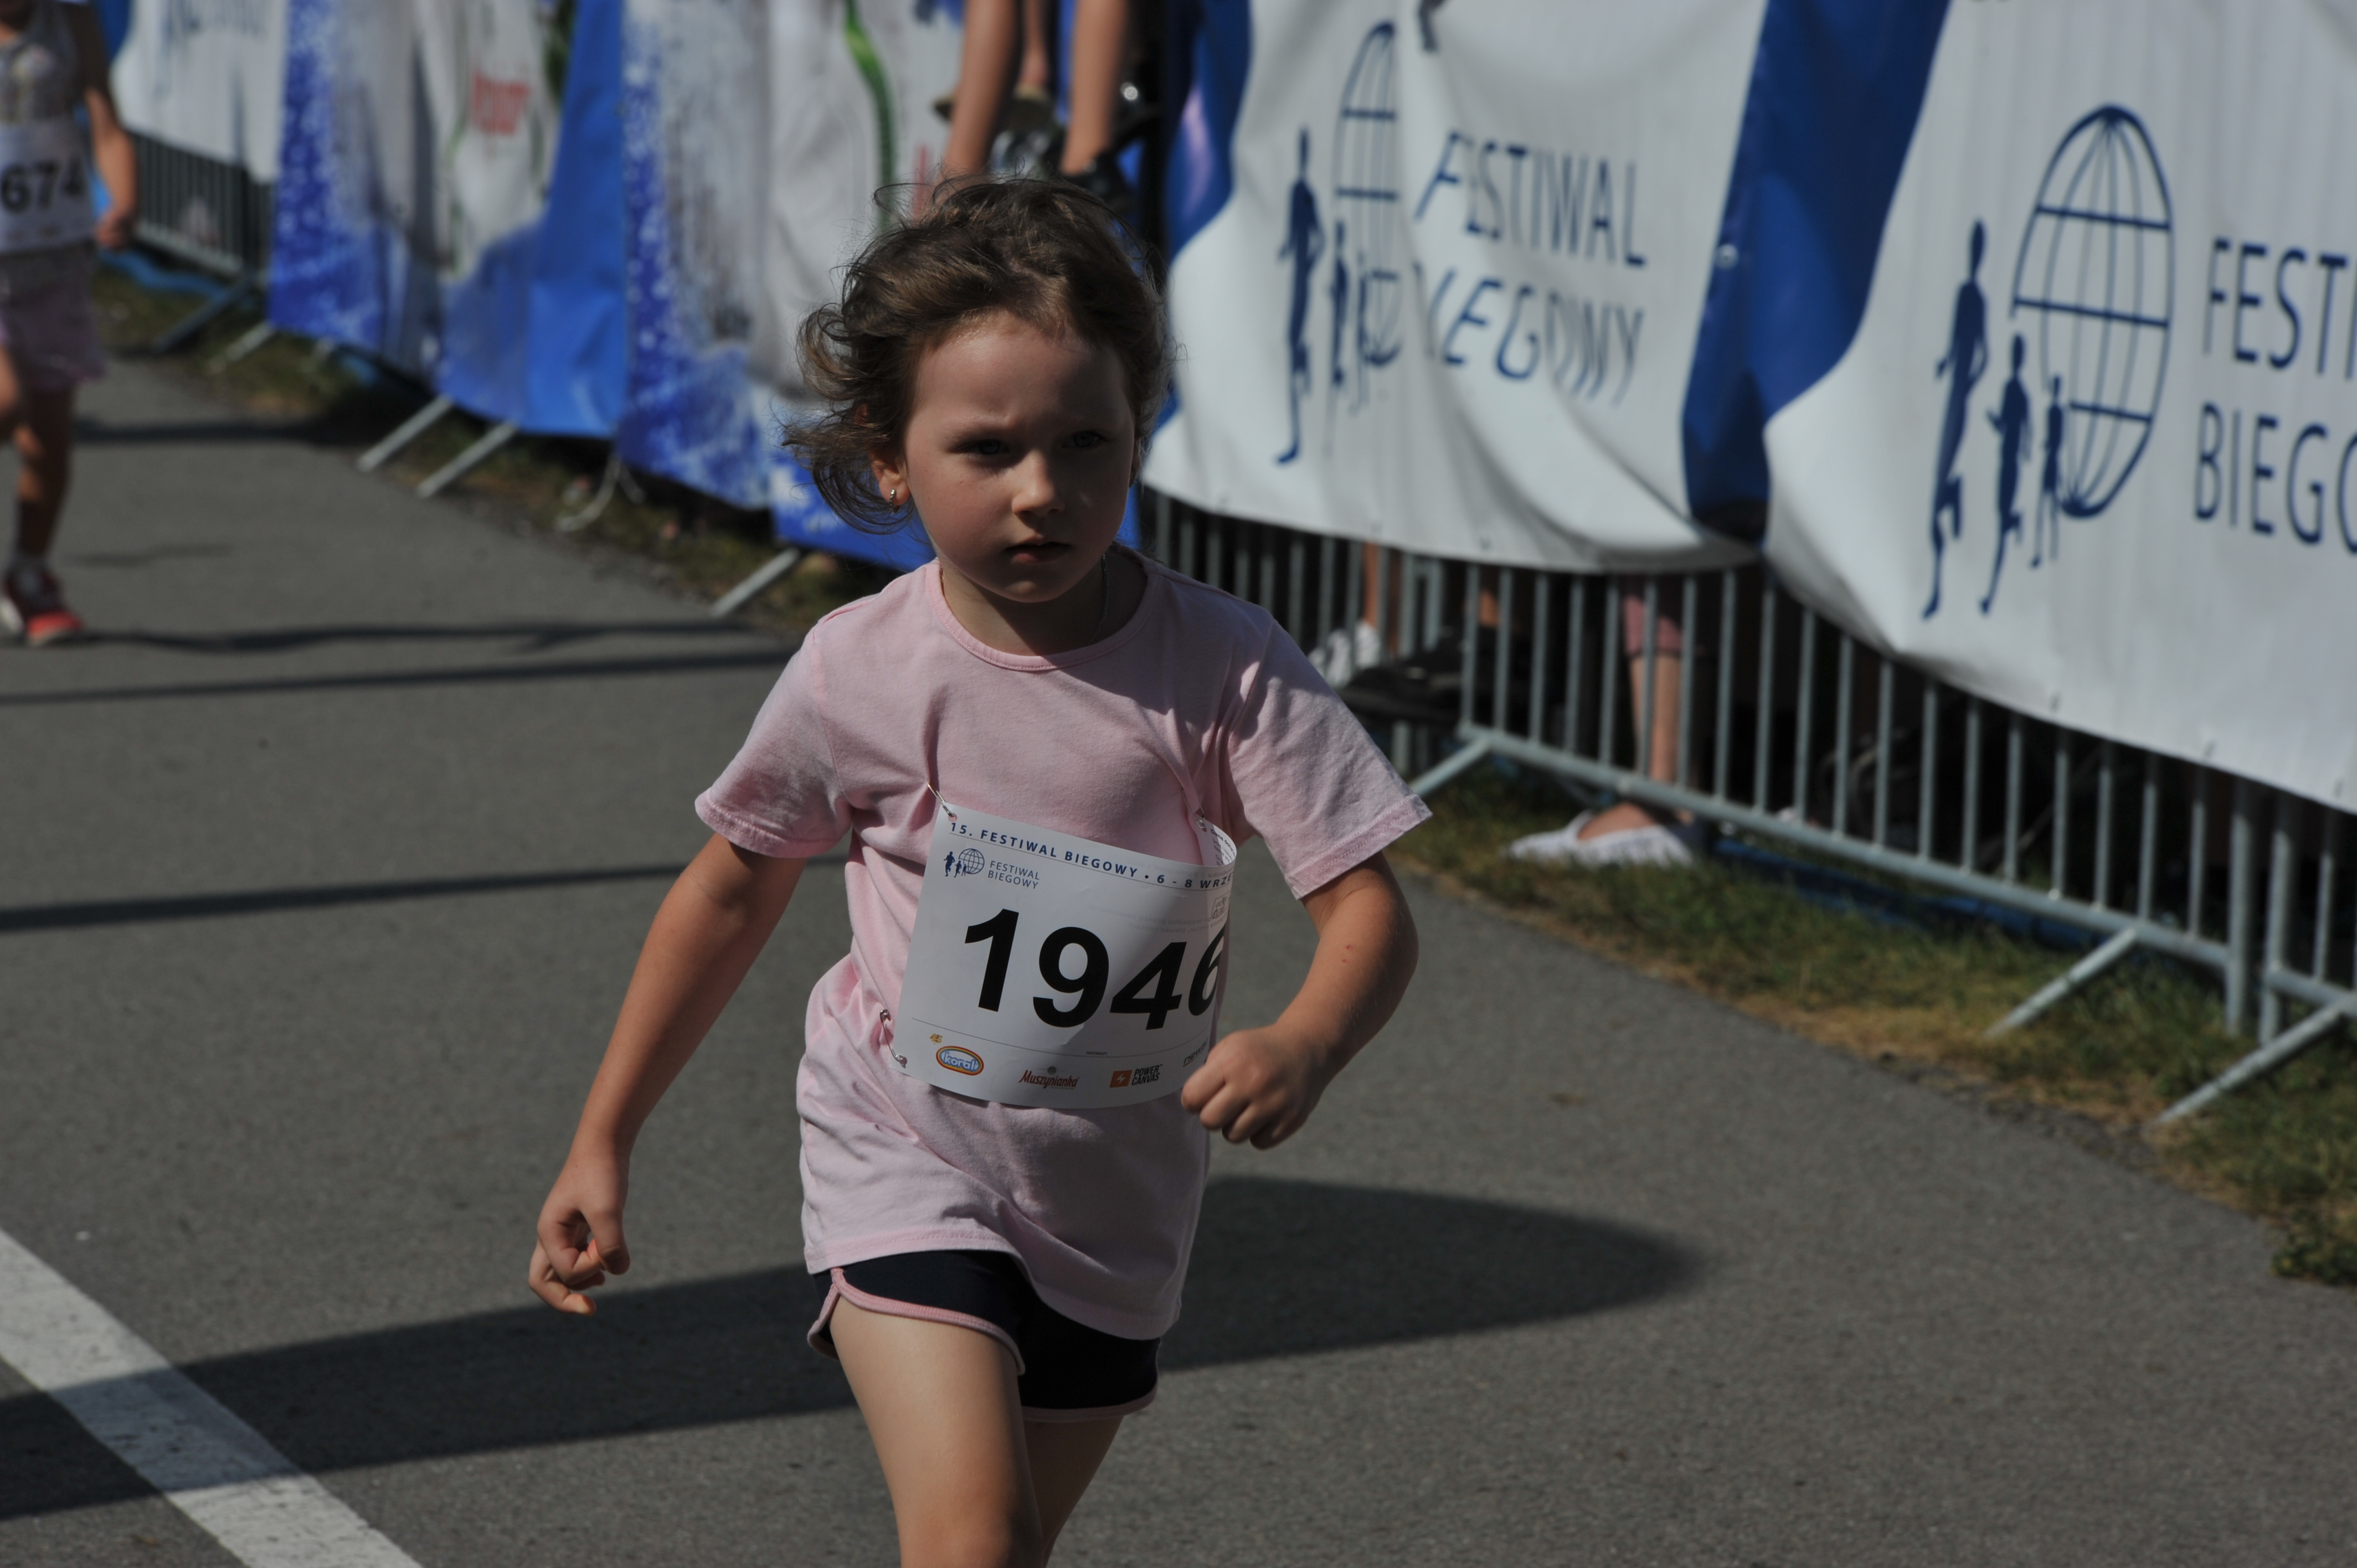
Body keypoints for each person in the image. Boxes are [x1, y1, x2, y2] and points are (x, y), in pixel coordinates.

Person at [528, 180, 1425, 1567]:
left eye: (1086, 442)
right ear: (889, 458)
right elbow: (731, 889)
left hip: (1115, 1199)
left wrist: (1308, 1040)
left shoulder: (1223, 666)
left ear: (1139, 435)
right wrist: (605, 1134)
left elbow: (1368, 903)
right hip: (903, 1147)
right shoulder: (858, 670)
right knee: (973, 1539)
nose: (1042, 490)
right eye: (988, 449)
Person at [0, 0, 135, 644]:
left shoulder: (70, 23)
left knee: (49, 441)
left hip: (54, 262)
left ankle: (30, 576)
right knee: (5, 404)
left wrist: (124, 202)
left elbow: (107, 126)